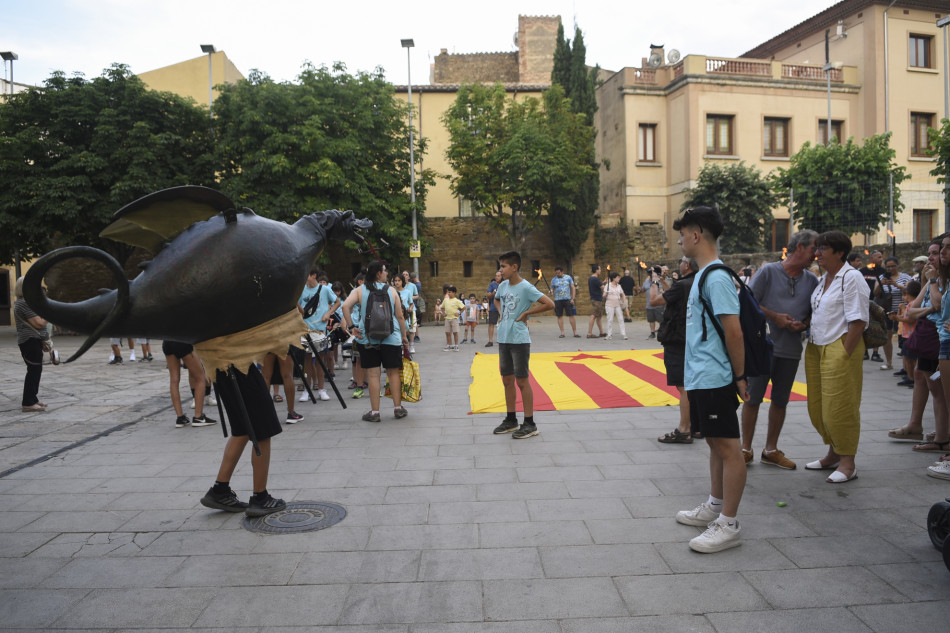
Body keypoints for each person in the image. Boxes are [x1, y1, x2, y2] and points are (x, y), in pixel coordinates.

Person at [672, 206, 749, 554]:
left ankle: (728, 524)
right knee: (715, 443)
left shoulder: (716, 276)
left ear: (696, 235)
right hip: (702, 376)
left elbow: (734, 332)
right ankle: (715, 506)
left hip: (717, 376)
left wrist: (740, 376)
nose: (680, 240)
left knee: (729, 447)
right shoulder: (705, 274)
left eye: (683, 233)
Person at [740, 229, 819, 471]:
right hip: (763, 347)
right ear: (799, 248)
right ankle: (745, 449)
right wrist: (775, 317)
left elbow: (813, 312)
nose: (817, 254)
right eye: (814, 249)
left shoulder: (812, 280)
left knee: (781, 400)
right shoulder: (768, 272)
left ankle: (770, 450)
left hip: (791, 349)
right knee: (752, 398)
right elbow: (747, 301)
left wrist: (802, 324)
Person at [804, 230, 868, 483]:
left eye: (823, 249)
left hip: (840, 344)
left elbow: (859, 319)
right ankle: (832, 453)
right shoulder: (824, 279)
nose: (817, 253)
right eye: (817, 248)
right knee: (817, 407)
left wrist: (844, 353)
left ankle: (848, 463)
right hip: (816, 345)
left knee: (839, 407)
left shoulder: (851, 277)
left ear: (840, 252)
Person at [491, 250, 555, 439]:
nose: (500, 270)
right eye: (500, 266)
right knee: (507, 380)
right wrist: (501, 313)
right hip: (503, 338)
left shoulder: (526, 287)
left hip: (519, 339)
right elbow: (495, 299)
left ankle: (530, 423)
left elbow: (549, 303)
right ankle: (511, 420)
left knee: (522, 381)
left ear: (514, 267)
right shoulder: (502, 286)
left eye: (503, 266)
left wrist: (527, 313)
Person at [889, 240, 948, 444]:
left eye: (936, 253)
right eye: (930, 253)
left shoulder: (938, 281)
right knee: (925, 379)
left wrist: (931, 285)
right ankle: (925, 427)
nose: (931, 258)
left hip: (938, 337)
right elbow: (912, 310)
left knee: (938, 388)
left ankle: (942, 437)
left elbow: (938, 304)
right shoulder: (934, 279)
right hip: (928, 335)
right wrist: (929, 309)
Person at [341, 260, 410, 423]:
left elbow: (345, 307)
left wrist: (352, 327)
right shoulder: (392, 290)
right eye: (385, 271)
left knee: (373, 374)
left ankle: (375, 412)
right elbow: (400, 316)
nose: (387, 273)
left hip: (367, 337)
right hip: (391, 337)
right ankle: (398, 408)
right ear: (379, 273)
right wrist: (404, 336)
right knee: (393, 373)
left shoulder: (359, 290)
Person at [653, 257, 697, 444]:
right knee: (690, 385)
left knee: (683, 386)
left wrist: (654, 281)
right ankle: (693, 426)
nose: (680, 263)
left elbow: (655, 301)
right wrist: (665, 281)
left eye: (682, 261)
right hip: (691, 337)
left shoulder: (683, 284)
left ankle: (684, 429)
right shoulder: (694, 281)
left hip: (678, 338)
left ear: (686, 266)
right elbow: (675, 295)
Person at [297, 269, 340, 402]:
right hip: (305, 330)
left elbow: (337, 302)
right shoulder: (301, 289)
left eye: (307, 276)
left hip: (320, 330)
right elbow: (296, 305)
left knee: (321, 361)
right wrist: (299, 309)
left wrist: (328, 313)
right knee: (307, 361)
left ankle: (321, 389)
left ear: (313, 275)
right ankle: (306, 390)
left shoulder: (325, 289)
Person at [14, 276, 50, 413]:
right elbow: (39, 323)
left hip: (31, 340)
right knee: (33, 371)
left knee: (36, 370)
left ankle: (33, 399)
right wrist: (49, 314)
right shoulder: (23, 303)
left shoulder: (24, 302)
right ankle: (28, 403)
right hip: (29, 340)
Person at [162, 340, 217, 428]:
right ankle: (198, 417)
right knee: (200, 377)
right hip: (182, 341)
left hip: (167, 342)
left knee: (174, 380)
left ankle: (180, 418)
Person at [873, 256, 912, 371]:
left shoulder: (905, 277)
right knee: (887, 336)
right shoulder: (881, 277)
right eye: (888, 267)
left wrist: (896, 285)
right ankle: (889, 362)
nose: (890, 269)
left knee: (905, 338)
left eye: (893, 266)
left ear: (898, 265)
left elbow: (910, 291)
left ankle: (907, 366)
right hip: (887, 311)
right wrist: (881, 284)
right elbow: (875, 293)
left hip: (902, 311)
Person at [859, 249, 884, 363]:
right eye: (878, 257)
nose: (881, 259)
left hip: (877, 304)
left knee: (876, 327)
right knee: (863, 327)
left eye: (881, 257)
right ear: (871, 259)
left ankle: (875, 353)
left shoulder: (883, 272)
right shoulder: (862, 271)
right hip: (864, 303)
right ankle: (864, 352)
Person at [550, 266, 579, 338]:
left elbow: (573, 288)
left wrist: (573, 298)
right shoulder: (553, 280)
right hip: (557, 300)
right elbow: (552, 289)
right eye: (556, 273)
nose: (557, 274)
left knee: (571, 315)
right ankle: (562, 333)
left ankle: (575, 332)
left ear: (562, 272)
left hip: (567, 299)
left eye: (559, 273)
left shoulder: (568, 278)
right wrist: (551, 292)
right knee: (559, 316)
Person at [644, 266, 670, 339]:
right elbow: (643, 289)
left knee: (661, 319)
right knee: (651, 319)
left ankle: (662, 331)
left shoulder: (659, 280)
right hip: (649, 304)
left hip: (658, 304)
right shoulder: (647, 281)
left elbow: (666, 289)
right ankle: (652, 333)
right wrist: (639, 289)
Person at [603, 271, 630, 340]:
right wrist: (605, 294)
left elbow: (622, 294)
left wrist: (624, 300)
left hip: (618, 304)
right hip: (609, 305)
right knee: (610, 320)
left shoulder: (619, 286)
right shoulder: (608, 285)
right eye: (618, 278)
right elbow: (604, 295)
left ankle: (624, 334)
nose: (619, 279)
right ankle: (609, 334)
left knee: (620, 319)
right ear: (614, 278)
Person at [437, 286, 465, 351]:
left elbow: (463, 307)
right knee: (447, 332)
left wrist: (459, 313)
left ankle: (456, 345)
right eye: (448, 292)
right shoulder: (445, 300)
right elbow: (442, 307)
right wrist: (443, 313)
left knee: (455, 332)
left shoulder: (457, 301)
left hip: (454, 319)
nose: (448, 294)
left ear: (454, 293)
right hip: (447, 318)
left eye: (450, 292)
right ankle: (449, 345)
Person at [587, 264, 605, 338]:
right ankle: (589, 333)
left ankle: (601, 332)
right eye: (599, 269)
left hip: (595, 298)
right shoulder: (596, 279)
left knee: (599, 316)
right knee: (594, 315)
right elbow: (603, 287)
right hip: (597, 299)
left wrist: (603, 282)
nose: (600, 271)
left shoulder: (591, 278)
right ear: (596, 270)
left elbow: (598, 286)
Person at [485, 270, 502, 347]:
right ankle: (490, 341)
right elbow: (488, 296)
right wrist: (493, 293)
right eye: (496, 275)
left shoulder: (505, 284)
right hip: (493, 306)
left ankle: (503, 340)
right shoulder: (492, 285)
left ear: (501, 277)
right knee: (491, 323)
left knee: (504, 323)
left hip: (503, 307)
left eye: (498, 276)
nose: (496, 277)